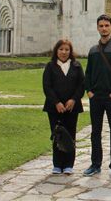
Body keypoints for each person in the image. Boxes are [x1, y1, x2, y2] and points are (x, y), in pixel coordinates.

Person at [83, 14, 111, 178]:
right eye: (101, 26)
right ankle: (95, 164)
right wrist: (88, 90)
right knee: (95, 132)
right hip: (96, 97)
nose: (104, 28)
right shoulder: (93, 50)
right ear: (97, 28)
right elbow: (87, 73)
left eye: (106, 25)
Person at [42, 39, 84, 175]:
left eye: (67, 49)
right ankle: (57, 164)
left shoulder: (77, 66)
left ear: (70, 51)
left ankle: (68, 164)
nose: (64, 52)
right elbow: (47, 86)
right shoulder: (50, 66)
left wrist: (73, 100)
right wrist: (56, 102)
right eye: (61, 49)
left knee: (70, 135)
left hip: (72, 107)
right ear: (56, 51)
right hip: (54, 107)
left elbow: (81, 86)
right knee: (57, 134)